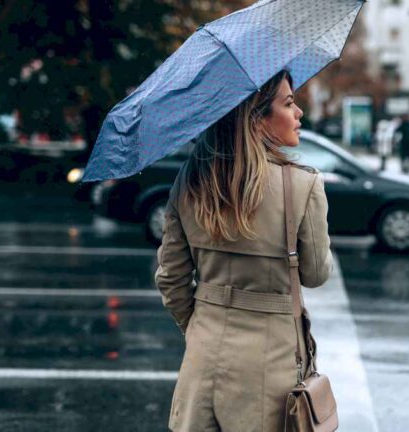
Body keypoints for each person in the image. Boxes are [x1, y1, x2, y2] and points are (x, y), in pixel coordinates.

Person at [154, 70, 333, 432]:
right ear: (256, 119)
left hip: (202, 360)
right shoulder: (302, 184)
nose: (298, 112)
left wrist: (201, 328)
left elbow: (171, 280)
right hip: (272, 369)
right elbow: (315, 274)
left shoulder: (190, 182)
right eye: (288, 103)